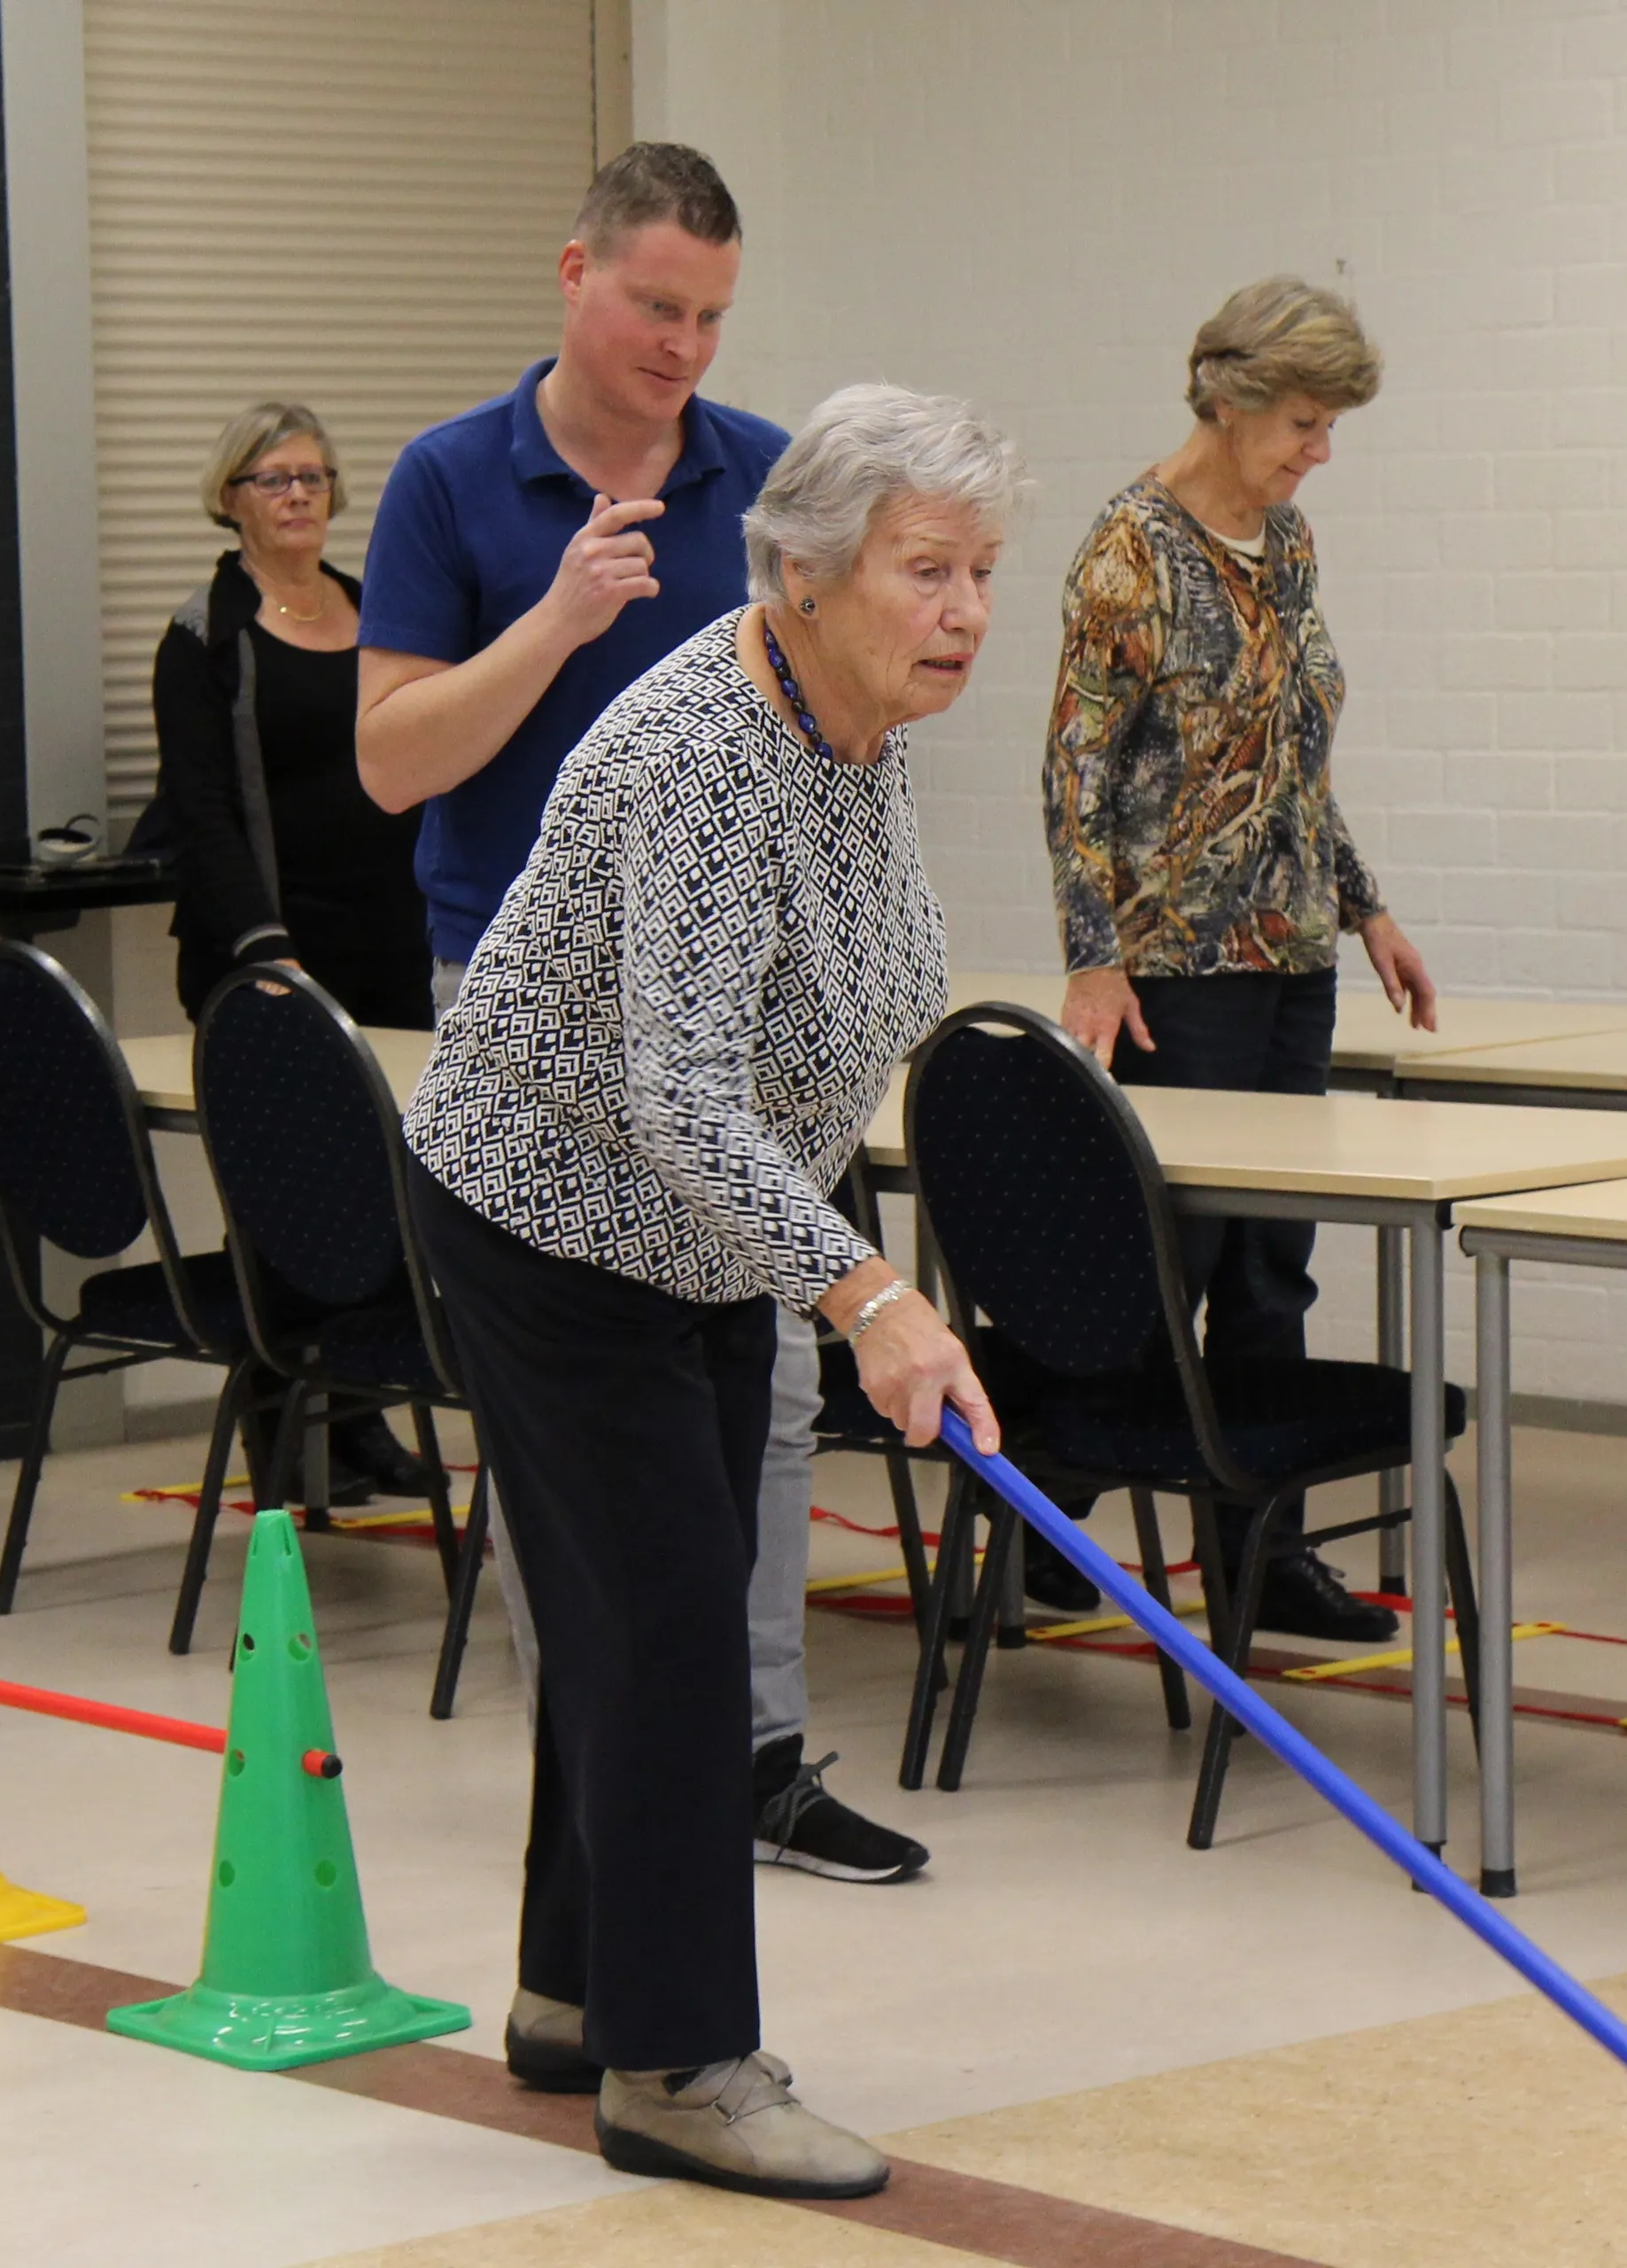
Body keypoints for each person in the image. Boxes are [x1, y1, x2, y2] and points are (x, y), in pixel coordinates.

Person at [401, 384, 1015, 2193]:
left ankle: (582, 1996)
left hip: (700, 1228)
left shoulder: (855, 723)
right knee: (672, 1629)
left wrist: (817, 1263)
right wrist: (866, 1294)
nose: (966, 607)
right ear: (808, 572)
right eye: (927, 568)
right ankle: (679, 2062)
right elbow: (672, 1086)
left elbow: (809, 1026)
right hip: (546, 1209)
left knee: (635, 1618)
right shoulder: (697, 753)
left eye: (982, 568)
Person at [358, 144, 920, 1880]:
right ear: (575, 274)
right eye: (657, 305)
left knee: (760, 1389)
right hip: (534, 1019)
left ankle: (747, 1749)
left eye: (712, 316)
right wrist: (553, 620)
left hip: (740, 1022)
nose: (684, 345)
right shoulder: (456, 480)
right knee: (590, 1418)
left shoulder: (768, 485)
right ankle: (604, 1750)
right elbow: (391, 764)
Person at [1042, 276, 1434, 1643]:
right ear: (1229, 398)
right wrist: (1093, 962)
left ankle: (1257, 1559)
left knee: (1273, 1270)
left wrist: (1365, 906)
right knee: (1174, 1264)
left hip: (1287, 955)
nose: (1316, 450)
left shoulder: (1287, 541)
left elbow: (1293, 762)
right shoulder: (1127, 550)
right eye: (1304, 423)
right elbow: (1074, 775)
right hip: (1176, 967)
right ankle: (1065, 1500)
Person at [153, 400, 438, 1504]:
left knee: (385, 1199)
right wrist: (264, 946)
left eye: (315, 477)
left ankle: (359, 1422)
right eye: (275, 479)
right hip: (265, 955)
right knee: (282, 1204)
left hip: (386, 941)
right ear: (231, 499)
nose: (300, 497)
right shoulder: (204, 636)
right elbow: (204, 813)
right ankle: (278, 1437)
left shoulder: (374, 612)